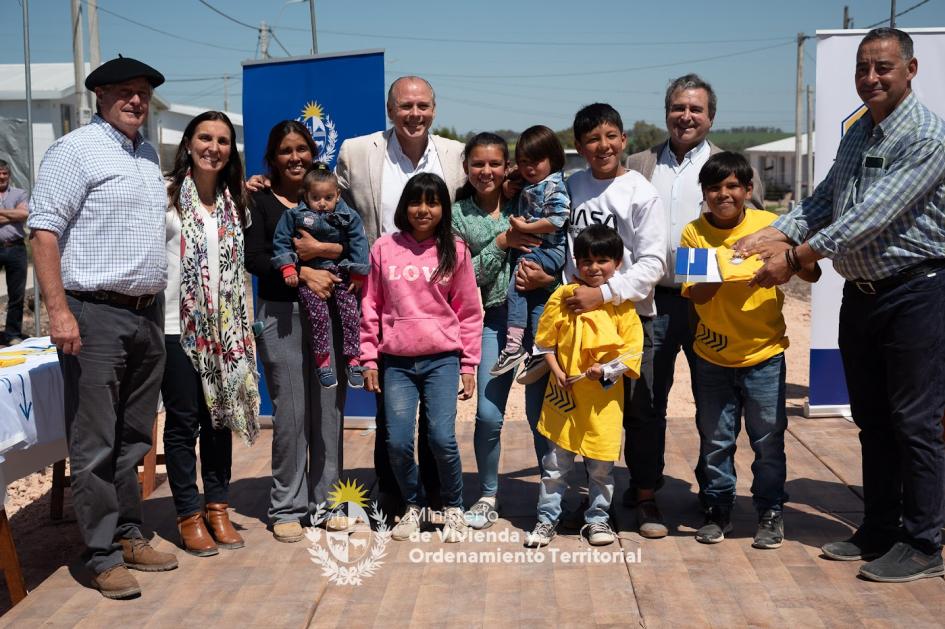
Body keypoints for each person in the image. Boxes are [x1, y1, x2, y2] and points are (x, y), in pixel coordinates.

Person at [737, 28, 945, 582]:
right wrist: (776, 233)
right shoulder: (859, 130)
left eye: (883, 68)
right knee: (873, 419)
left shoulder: (925, 137)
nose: (870, 78)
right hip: (863, 294)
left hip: (915, 293)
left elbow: (872, 215)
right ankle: (880, 527)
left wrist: (798, 253)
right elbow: (827, 198)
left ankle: (924, 542)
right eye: (863, 68)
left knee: (915, 422)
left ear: (911, 70)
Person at [28, 56, 177, 599]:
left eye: (143, 92)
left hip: (145, 314)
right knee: (93, 444)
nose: (136, 100)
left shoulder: (142, 155)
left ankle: (129, 531)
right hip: (93, 313)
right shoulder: (75, 151)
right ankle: (101, 553)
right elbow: (43, 232)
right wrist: (59, 311)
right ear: (98, 95)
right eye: (125, 92)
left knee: (134, 437)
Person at [625, 74, 765, 509]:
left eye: (696, 109)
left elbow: (757, 231)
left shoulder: (731, 165)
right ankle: (645, 487)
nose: (686, 116)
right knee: (645, 400)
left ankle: (713, 494)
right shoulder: (638, 164)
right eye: (678, 108)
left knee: (714, 406)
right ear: (666, 112)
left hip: (711, 304)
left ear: (711, 117)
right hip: (654, 301)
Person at [335, 76, 466, 515]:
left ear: (434, 109)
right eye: (406, 106)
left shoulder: (454, 154)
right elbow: (323, 200)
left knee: (438, 429)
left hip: (440, 300)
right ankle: (395, 500)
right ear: (390, 110)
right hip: (386, 302)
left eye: (423, 106)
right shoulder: (356, 151)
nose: (415, 114)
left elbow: (487, 193)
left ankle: (437, 499)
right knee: (393, 424)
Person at [681, 152, 819, 548]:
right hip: (713, 358)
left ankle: (771, 511)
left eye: (732, 186)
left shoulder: (770, 226)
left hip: (765, 355)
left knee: (767, 441)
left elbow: (812, 271)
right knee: (715, 440)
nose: (723, 194)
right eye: (714, 188)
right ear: (704, 193)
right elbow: (700, 295)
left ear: (747, 189)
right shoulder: (694, 233)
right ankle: (717, 508)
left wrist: (787, 257)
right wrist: (730, 262)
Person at [360, 173, 482, 543]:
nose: (423, 210)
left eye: (433, 202)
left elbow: (469, 310)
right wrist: (368, 358)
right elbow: (371, 305)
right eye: (416, 202)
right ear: (404, 207)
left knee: (442, 439)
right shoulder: (383, 247)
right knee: (396, 441)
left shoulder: (455, 249)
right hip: (396, 362)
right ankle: (412, 507)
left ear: (444, 208)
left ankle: (454, 508)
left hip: (442, 359)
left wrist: (468, 363)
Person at [566, 103, 668, 538]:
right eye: (592, 139)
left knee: (641, 412)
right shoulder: (572, 187)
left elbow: (653, 263)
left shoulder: (640, 192)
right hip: (582, 323)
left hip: (633, 321)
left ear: (624, 140)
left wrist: (604, 293)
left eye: (610, 136)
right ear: (579, 146)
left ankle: (645, 498)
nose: (602, 146)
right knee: (591, 411)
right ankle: (595, 501)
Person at [162, 111, 260, 557]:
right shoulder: (164, 196)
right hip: (176, 326)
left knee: (219, 420)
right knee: (183, 424)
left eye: (223, 140)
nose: (213, 147)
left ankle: (218, 506)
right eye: (205, 137)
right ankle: (187, 513)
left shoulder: (237, 200)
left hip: (228, 331)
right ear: (188, 142)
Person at [244, 120, 348, 543]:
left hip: (330, 313)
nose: (295, 157)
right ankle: (287, 506)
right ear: (272, 158)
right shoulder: (259, 199)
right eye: (285, 150)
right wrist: (303, 271)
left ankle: (330, 503)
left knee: (328, 410)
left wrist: (322, 251)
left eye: (302, 149)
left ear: (313, 153)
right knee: (289, 414)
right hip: (281, 315)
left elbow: (355, 242)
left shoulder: (330, 198)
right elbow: (254, 256)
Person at [450, 133, 551, 529]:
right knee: (489, 416)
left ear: (507, 166)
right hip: (492, 321)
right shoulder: (457, 215)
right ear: (466, 168)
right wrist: (502, 241)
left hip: (540, 319)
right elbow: (463, 277)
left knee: (539, 413)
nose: (486, 171)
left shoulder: (527, 200)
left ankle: (551, 491)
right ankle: (489, 494)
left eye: (495, 163)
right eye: (478, 164)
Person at [524, 224, 643, 549]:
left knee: (602, 469)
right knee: (555, 468)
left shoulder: (622, 306)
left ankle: (598, 519)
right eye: (586, 261)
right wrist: (557, 372)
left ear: (618, 263)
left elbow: (632, 354)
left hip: (604, 404)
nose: (594, 268)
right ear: (575, 262)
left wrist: (605, 369)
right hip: (564, 397)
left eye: (602, 260)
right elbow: (545, 343)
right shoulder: (562, 297)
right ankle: (547, 520)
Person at [272, 162, 369, 389]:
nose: (322, 203)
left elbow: (359, 242)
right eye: (316, 197)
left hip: (342, 273)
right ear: (306, 195)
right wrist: (288, 268)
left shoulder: (348, 216)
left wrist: (358, 273)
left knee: (351, 315)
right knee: (318, 317)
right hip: (311, 274)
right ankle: (323, 363)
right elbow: (281, 242)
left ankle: (353, 360)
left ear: (338, 195)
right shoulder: (295, 215)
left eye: (328, 197)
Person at [490, 126, 569, 376]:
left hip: (549, 249)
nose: (529, 168)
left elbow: (557, 219)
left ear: (552, 159)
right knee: (531, 296)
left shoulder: (554, 185)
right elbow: (514, 177)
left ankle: (514, 345)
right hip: (539, 248)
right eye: (524, 162)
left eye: (536, 162)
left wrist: (526, 226)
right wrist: (507, 186)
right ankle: (539, 349)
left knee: (517, 284)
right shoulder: (532, 181)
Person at [0, 159, 29, 346]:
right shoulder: (16, 200)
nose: (2, 177)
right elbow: (17, 214)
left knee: (17, 295)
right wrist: (12, 214)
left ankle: (12, 335)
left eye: (5, 173)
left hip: (16, 247)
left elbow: (24, 214)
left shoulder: (20, 193)